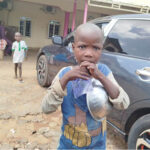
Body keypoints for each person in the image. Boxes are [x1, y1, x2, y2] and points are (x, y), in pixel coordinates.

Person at [42, 23, 130, 149]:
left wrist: (100, 77)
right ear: (73, 48)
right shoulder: (64, 74)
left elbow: (124, 103)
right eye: (82, 47)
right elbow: (46, 108)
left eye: (95, 48)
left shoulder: (104, 72)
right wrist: (65, 80)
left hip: (97, 146)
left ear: (101, 49)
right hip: (68, 146)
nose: (89, 53)